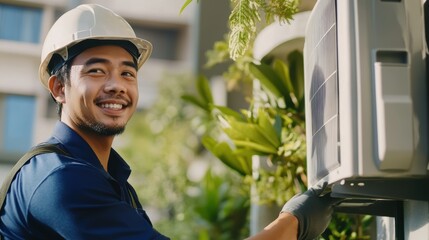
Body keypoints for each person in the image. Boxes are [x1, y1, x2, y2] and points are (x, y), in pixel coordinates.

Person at [0, 4, 340, 240]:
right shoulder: (60, 179)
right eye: (96, 70)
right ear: (59, 87)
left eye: (127, 72)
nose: (116, 84)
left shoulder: (104, 178)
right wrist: (294, 223)